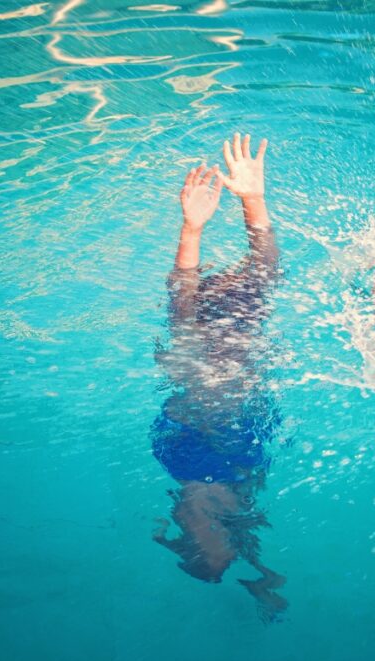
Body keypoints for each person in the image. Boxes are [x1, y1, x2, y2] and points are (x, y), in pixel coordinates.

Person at [151, 133, 286, 621]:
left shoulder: (199, 345)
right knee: (266, 277)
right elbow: (242, 518)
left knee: (259, 279)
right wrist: (261, 575)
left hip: (210, 428)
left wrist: (192, 229)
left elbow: (182, 298)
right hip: (233, 436)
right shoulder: (219, 502)